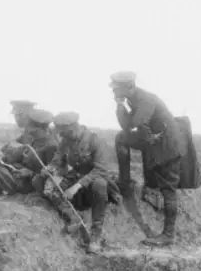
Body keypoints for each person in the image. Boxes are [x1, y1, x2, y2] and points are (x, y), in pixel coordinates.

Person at [110, 71, 183, 247]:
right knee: (121, 138)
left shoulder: (145, 100)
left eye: (117, 88)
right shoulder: (132, 99)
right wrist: (120, 105)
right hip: (153, 141)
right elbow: (126, 127)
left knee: (168, 189)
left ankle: (168, 235)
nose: (114, 91)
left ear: (130, 86)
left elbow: (136, 122)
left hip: (167, 145)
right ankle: (124, 181)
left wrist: (123, 108)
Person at [33, 111, 118, 253]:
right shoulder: (66, 141)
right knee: (41, 182)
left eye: (63, 132)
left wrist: (77, 186)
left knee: (100, 184)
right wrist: (50, 168)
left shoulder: (95, 141)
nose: (61, 136)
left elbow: (101, 169)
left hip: (94, 183)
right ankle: (73, 218)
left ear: (71, 129)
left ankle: (96, 235)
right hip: (75, 179)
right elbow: (57, 159)